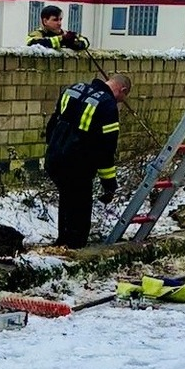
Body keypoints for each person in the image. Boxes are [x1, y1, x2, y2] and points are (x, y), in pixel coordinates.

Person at [43, 73, 131, 248]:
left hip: (54, 159)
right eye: (123, 98)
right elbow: (106, 150)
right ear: (123, 90)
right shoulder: (107, 105)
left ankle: (63, 242)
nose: (120, 102)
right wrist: (109, 185)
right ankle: (75, 248)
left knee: (67, 198)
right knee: (80, 206)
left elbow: (53, 124)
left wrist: (56, 147)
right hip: (78, 165)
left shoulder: (73, 89)